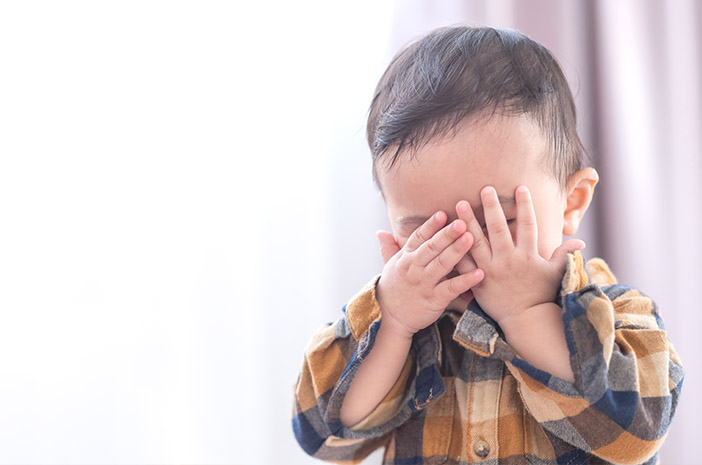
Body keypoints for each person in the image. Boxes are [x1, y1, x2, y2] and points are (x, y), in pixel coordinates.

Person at [291, 26, 683, 464]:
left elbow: (634, 435)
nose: (467, 253)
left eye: (501, 222)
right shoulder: (407, 328)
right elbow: (324, 434)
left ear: (571, 202)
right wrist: (395, 323)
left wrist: (525, 312)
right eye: (430, 232)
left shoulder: (622, 316)